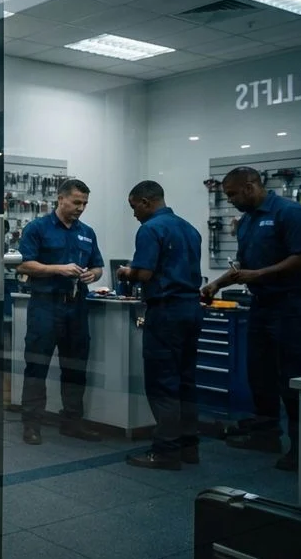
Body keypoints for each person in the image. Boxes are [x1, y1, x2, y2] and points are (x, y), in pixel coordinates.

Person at [202, 166, 301, 472]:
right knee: (260, 376)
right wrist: (218, 283)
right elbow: (243, 265)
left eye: (232, 194)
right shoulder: (246, 222)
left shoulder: (291, 213)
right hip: (263, 306)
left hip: (294, 307)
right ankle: (267, 436)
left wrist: (259, 274)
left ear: (251, 186)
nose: (230, 200)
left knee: (293, 380)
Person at [116, 181, 202, 470]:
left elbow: (144, 273)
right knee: (186, 380)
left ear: (145, 201)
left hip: (165, 312)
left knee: (163, 381)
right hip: (191, 309)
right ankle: (189, 446)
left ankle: (166, 450)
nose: (134, 215)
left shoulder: (150, 229)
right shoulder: (190, 229)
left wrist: (125, 272)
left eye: (133, 208)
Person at [16, 178, 105, 445]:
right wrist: (58, 269)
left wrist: (93, 274)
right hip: (46, 305)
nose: (81, 208)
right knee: (37, 365)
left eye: (85, 203)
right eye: (77, 202)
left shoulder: (87, 232)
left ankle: (72, 423)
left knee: (76, 367)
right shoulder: (37, 228)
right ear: (60, 198)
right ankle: (32, 424)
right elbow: (23, 265)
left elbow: (98, 265)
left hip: (76, 306)